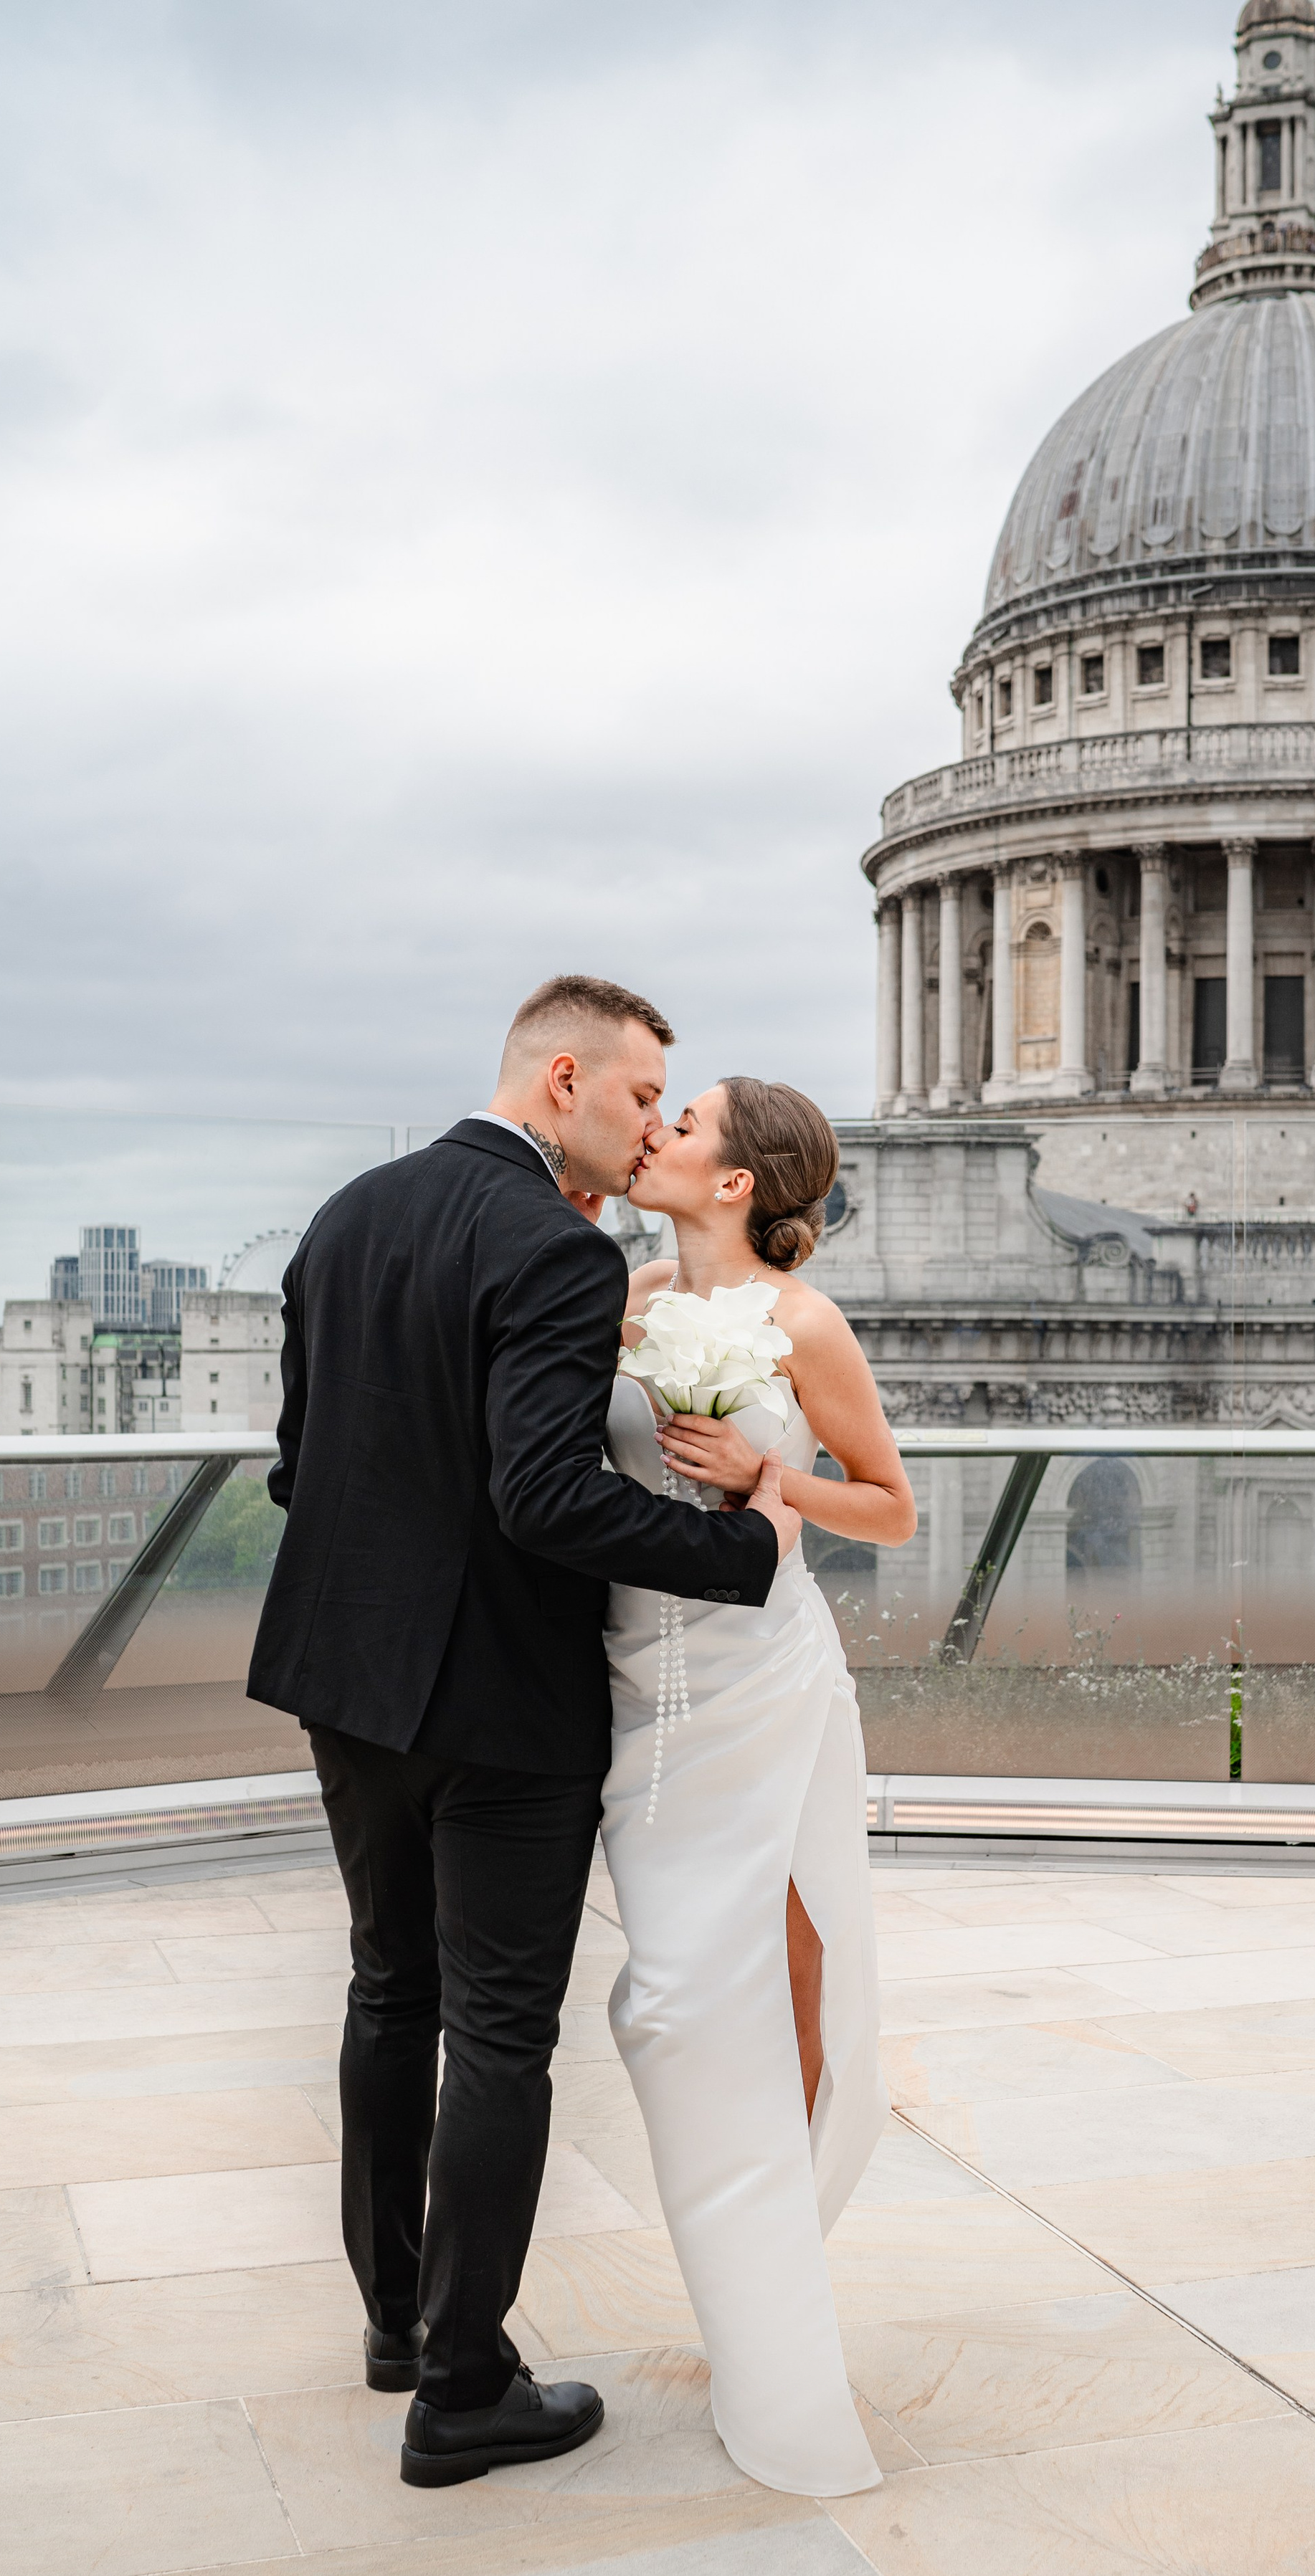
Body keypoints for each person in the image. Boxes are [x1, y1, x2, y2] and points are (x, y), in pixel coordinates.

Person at [247, 977, 802, 2489]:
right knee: (499, 2037)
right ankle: (463, 2388)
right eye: (641, 1097)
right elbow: (545, 1498)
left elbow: (300, 1467)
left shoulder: (345, 1218)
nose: (648, 1129)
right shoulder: (555, 1248)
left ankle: (394, 2324)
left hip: (345, 1682)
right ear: (565, 1080)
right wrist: (742, 1551)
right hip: (499, 1703)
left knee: (388, 1991)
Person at [602, 1074, 916, 2495]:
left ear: (736, 1180)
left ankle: (772, 2294)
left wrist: (762, 1477)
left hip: (765, 1679)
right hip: (634, 1683)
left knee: (768, 1984)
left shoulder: (807, 1323)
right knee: (668, 2004)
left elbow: (890, 1508)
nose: (657, 1133)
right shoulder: (625, 1301)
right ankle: (750, 2268)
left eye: (686, 1123)